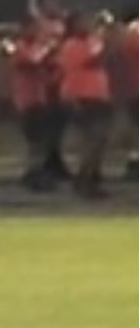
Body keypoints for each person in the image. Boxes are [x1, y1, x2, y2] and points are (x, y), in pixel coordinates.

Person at [60, 9, 117, 194]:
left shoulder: (92, 41)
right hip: (82, 95)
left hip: (99, 94)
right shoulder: (71, 45)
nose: (87, 24)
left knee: (100, 139)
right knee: (93, 139)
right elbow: (93, 59)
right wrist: (106, 37)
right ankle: (84, 180)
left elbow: (106, 56)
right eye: (82, 21)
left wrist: (107, 37)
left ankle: (91, 177)